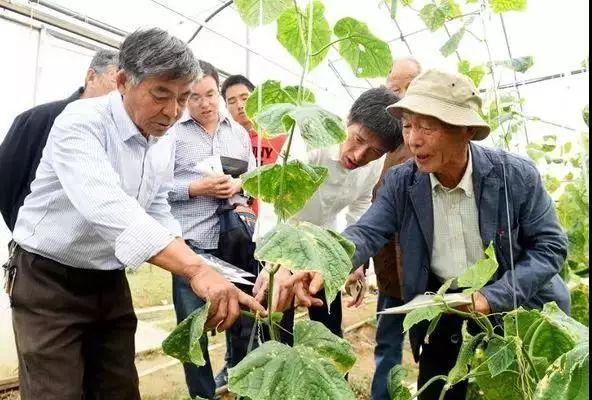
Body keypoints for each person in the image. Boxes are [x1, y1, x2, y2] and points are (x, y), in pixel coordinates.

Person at [7, 28, 264, 400]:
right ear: (124, 81)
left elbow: (157, 205)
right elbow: (111, 209)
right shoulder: (80, 122)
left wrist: (197, 264)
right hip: (48, 280)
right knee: (56, 392)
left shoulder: (163, 136)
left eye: (182, 98)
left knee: (119, 389)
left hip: (109, 280)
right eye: (161, 94)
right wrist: (195, 269)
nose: (172, 112)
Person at [287, 69, 570, 400]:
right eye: (407, 125)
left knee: (521, 389)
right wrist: (325, 262)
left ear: (465, 131)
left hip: (519, 305)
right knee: (437, 391)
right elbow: (365, 232)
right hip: (444, 305)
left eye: (427, 127)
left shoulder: (515, 176)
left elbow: (550, 246)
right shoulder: (402, 181)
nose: (413, 139)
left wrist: (492, 298)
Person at [254, 87, 404, 340]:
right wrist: (275, 262)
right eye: (357, 140)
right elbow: (274, 199)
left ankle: (331, 375)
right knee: (278, 324)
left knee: (329, 327)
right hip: (282, 237)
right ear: (348, 120)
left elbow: (361, 207)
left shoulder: (375, 164)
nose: (359, 156)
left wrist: (351, 259)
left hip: (323, 245)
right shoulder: (312, 138)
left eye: (374, 152)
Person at [168, 60, 278, 399]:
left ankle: (244, 386)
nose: (205, 103)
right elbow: (157, 187)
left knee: (244, 322)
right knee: (193, 329)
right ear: (185, 97)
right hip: (192, 246)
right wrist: (195, 188)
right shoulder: (172, 133)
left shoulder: (239, 133)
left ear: (218, 91)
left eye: (211, 94)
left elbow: (253, 179)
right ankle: (202, 394)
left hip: (236, 242)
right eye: (195, 96)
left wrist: (239, 186)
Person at [0, 49, 119, 231]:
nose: (118, 94)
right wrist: (25, 228)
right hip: (35, 245)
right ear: (91, 77)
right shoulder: (38, 118)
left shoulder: (119, 132)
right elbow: (6, 178)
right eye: (115, 82)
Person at [371, 57, 421, 400]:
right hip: (391, 271)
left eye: (404, 87)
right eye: (393, 88)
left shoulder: (424, 143)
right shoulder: (390, 140)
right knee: (388, 343)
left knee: (426, 347)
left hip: (424, 275)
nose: (399, 94)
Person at [221, 74, 287, 214]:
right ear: (226, 107)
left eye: (245, 98)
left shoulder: (279, 137)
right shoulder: (223, 141)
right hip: (236, 223)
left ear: (257, 98)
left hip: (271, 218)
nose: (240, 105)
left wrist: (243, 183)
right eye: (231, 101)